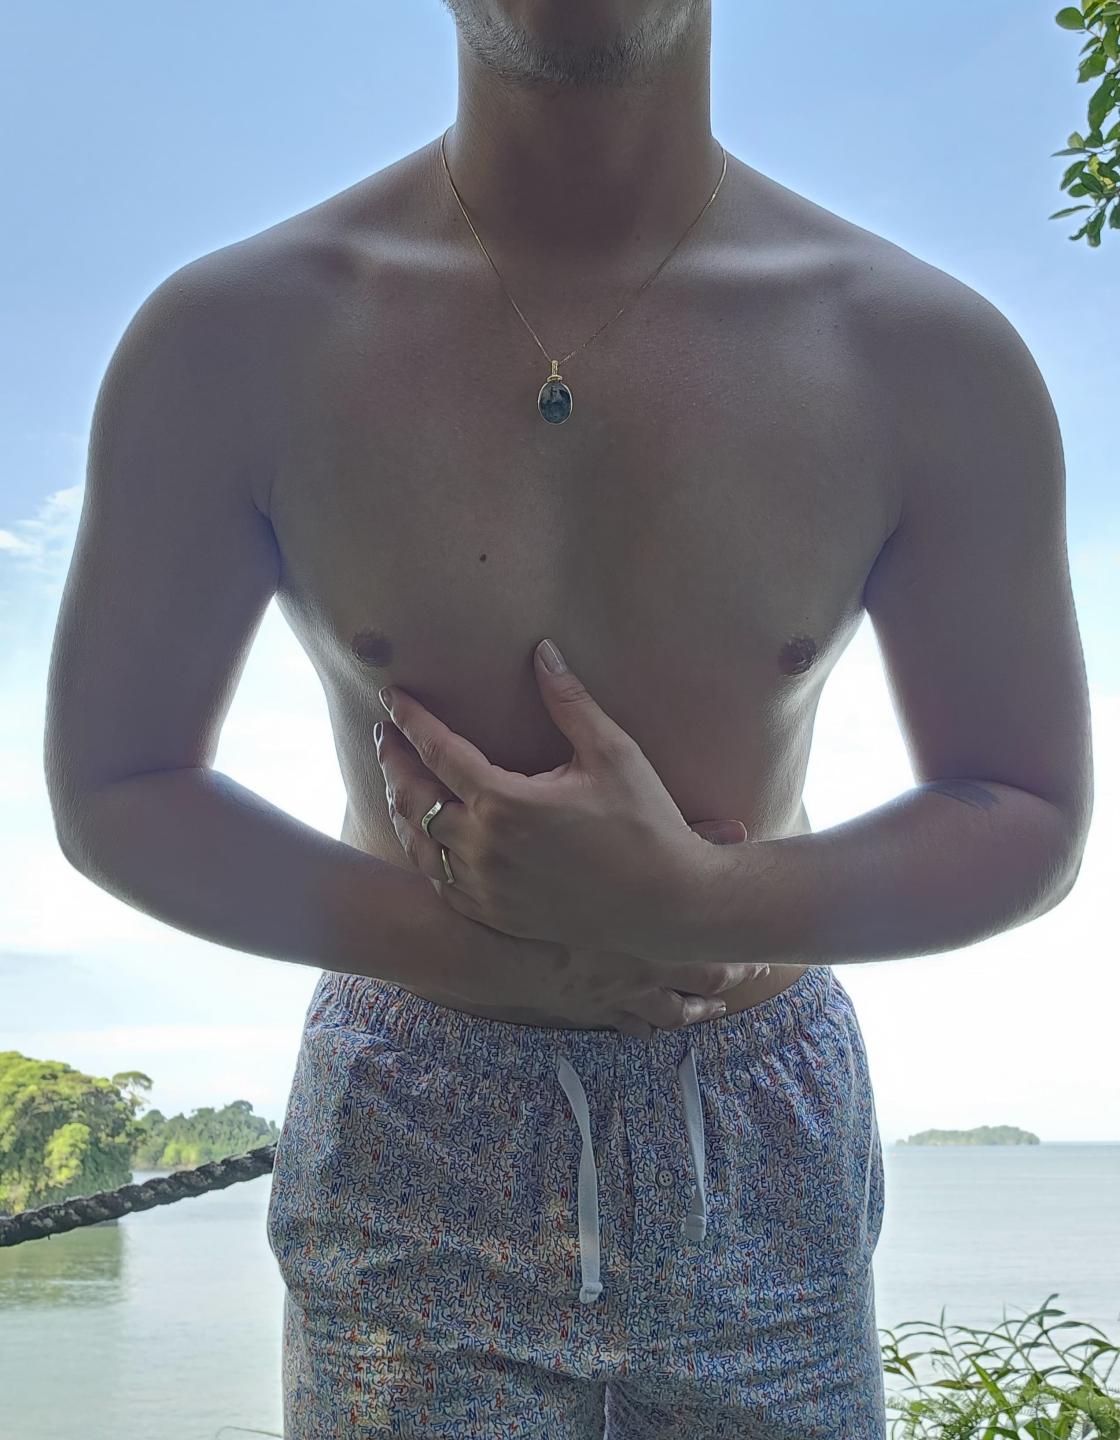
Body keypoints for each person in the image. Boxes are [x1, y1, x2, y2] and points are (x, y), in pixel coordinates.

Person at [44, 1, 1093, 1436]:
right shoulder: (234, 338)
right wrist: (478, 953)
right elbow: (115, 784)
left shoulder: (922, 356)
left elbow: (1026, 807)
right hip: (413, 1106)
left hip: (755, 1126)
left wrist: (705, 903)